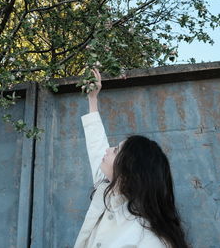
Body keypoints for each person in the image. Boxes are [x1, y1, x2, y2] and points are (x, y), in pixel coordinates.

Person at [74, 69, 189, 248]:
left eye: (116, 150)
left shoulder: (150, 241)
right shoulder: (110, 189)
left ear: (129, 171)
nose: (109, 149)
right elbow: (97, 147)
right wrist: (92, 99)